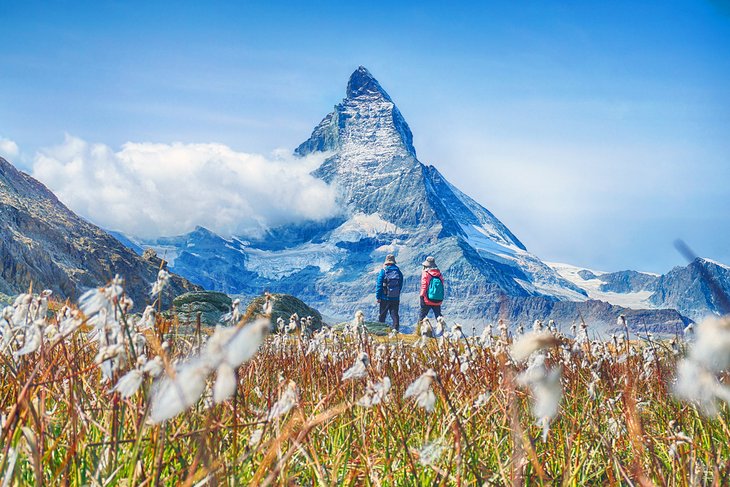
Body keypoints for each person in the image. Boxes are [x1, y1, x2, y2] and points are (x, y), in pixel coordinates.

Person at [376, 254, 403, 332]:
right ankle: (395, 329)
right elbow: (400, 284)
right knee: (394, 315)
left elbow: (379, 285)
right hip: (395, 298)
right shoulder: (398, 272)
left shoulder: (383, 271)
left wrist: (378, 297)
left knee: (382, 315)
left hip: (384, 297)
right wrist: (396, 294)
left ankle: (380, 330)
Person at [420, 256, 444, 320]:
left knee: (422, 316)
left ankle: (419, 329)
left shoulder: (426, 273)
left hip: (427, 299)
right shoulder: (439, 274)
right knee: (439, 317)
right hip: (438, 299)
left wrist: (422, 296)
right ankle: (442, 328)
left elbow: (424, 286)